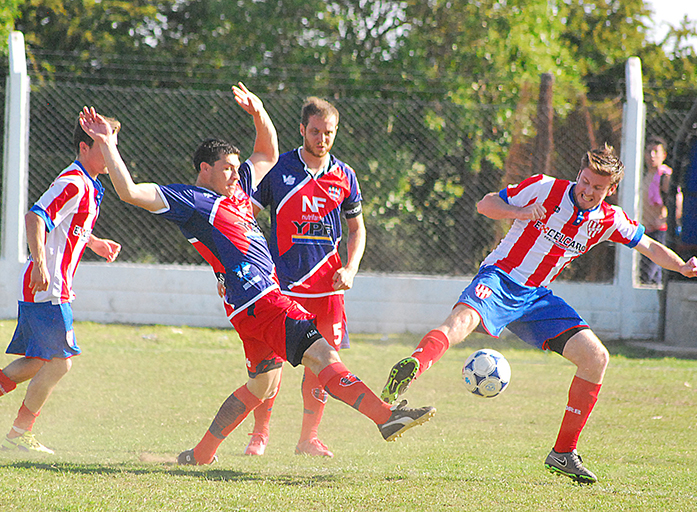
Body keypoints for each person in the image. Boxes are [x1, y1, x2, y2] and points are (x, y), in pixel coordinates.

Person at [78, 83, 435, 466]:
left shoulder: (236, 191)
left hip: (247, 308)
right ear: (205, 169)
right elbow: (130, 191)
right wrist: (108, 144)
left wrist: (259, 111)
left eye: (237, 169)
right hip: (262, 301)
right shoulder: (193, 202)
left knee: (261, 385)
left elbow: (266, 150)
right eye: (228, 169)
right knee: (322, 355)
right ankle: (386, 416)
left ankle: (200, 454)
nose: (237, 175)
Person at [380, 144, 697, 484]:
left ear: (610, 190)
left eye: (597, 187)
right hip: (500, 277)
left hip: (537, 298)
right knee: (462, 320)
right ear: (579, 174)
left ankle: (563, 453)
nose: (588, 191)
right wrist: (517, 212)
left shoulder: (608, 219)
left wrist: (682, 265)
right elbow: (485, 204)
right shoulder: (544, 187)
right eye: (585, 181)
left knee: (596, 358)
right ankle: (413, 366)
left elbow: (649, 246)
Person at [236, 97, 365, 457]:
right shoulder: (278, 168)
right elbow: (245, 219)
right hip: (282, 287)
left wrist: (350, 267)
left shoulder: (345, 176)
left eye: (329, 133)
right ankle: (259, 435)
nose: (322, 139)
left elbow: (357, 230)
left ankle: (308, 438)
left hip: (328, 291)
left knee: (323, 367)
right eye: (315, 131)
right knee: (271, 366)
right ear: (301, 130)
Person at [0, 116, 122, 454]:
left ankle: (18, 433)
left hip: (51, 285)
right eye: (105, 144)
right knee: (60, 362)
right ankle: (19, 434)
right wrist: (40, 264)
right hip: (48, 286)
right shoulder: (74, 181)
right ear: (84, 147)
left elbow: (65, 225)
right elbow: (35, 217)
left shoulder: (90, 184)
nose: (112, 151)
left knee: (39, 361)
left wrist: (93, 242)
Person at [640, 135, 682, 284]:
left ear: (663, 155)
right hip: (646, 230)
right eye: (649, 151)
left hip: (660, 231)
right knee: (646, 273)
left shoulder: (665, 176)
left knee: (651, 275)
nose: (652, 155)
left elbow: (678, 203)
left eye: (656, 151)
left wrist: (663, 220)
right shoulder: (645, 176)